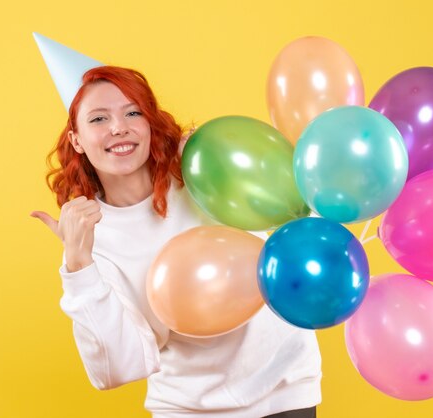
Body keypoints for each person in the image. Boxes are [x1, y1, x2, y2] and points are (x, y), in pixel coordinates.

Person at [32, 65, 322, 418]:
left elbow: (296, 223)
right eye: (98, 119)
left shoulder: (201, 173)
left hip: (285, 390)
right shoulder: (91, 238)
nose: (118, 127)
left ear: (149, 125)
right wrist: (79, 266)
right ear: (76, 139)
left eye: (133, 112)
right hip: (188, 408)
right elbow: (117, 369)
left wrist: (219, 168)